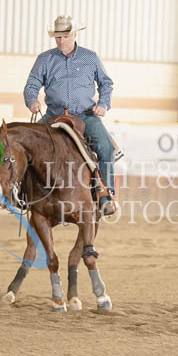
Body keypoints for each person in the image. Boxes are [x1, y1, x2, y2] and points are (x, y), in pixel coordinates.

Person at [23, 15, 118, 216]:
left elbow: (106, 83)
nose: (61, 41)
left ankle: (106, 194)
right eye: (57, 37)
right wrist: (32, 101)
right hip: (54, 115)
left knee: (106, 147)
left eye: (65, 36)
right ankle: (24, 193)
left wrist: (103, 104)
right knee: (28, 145)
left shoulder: (90, 57)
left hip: (86, 115)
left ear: (74, 34)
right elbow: (32, 85)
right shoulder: (45, 59)